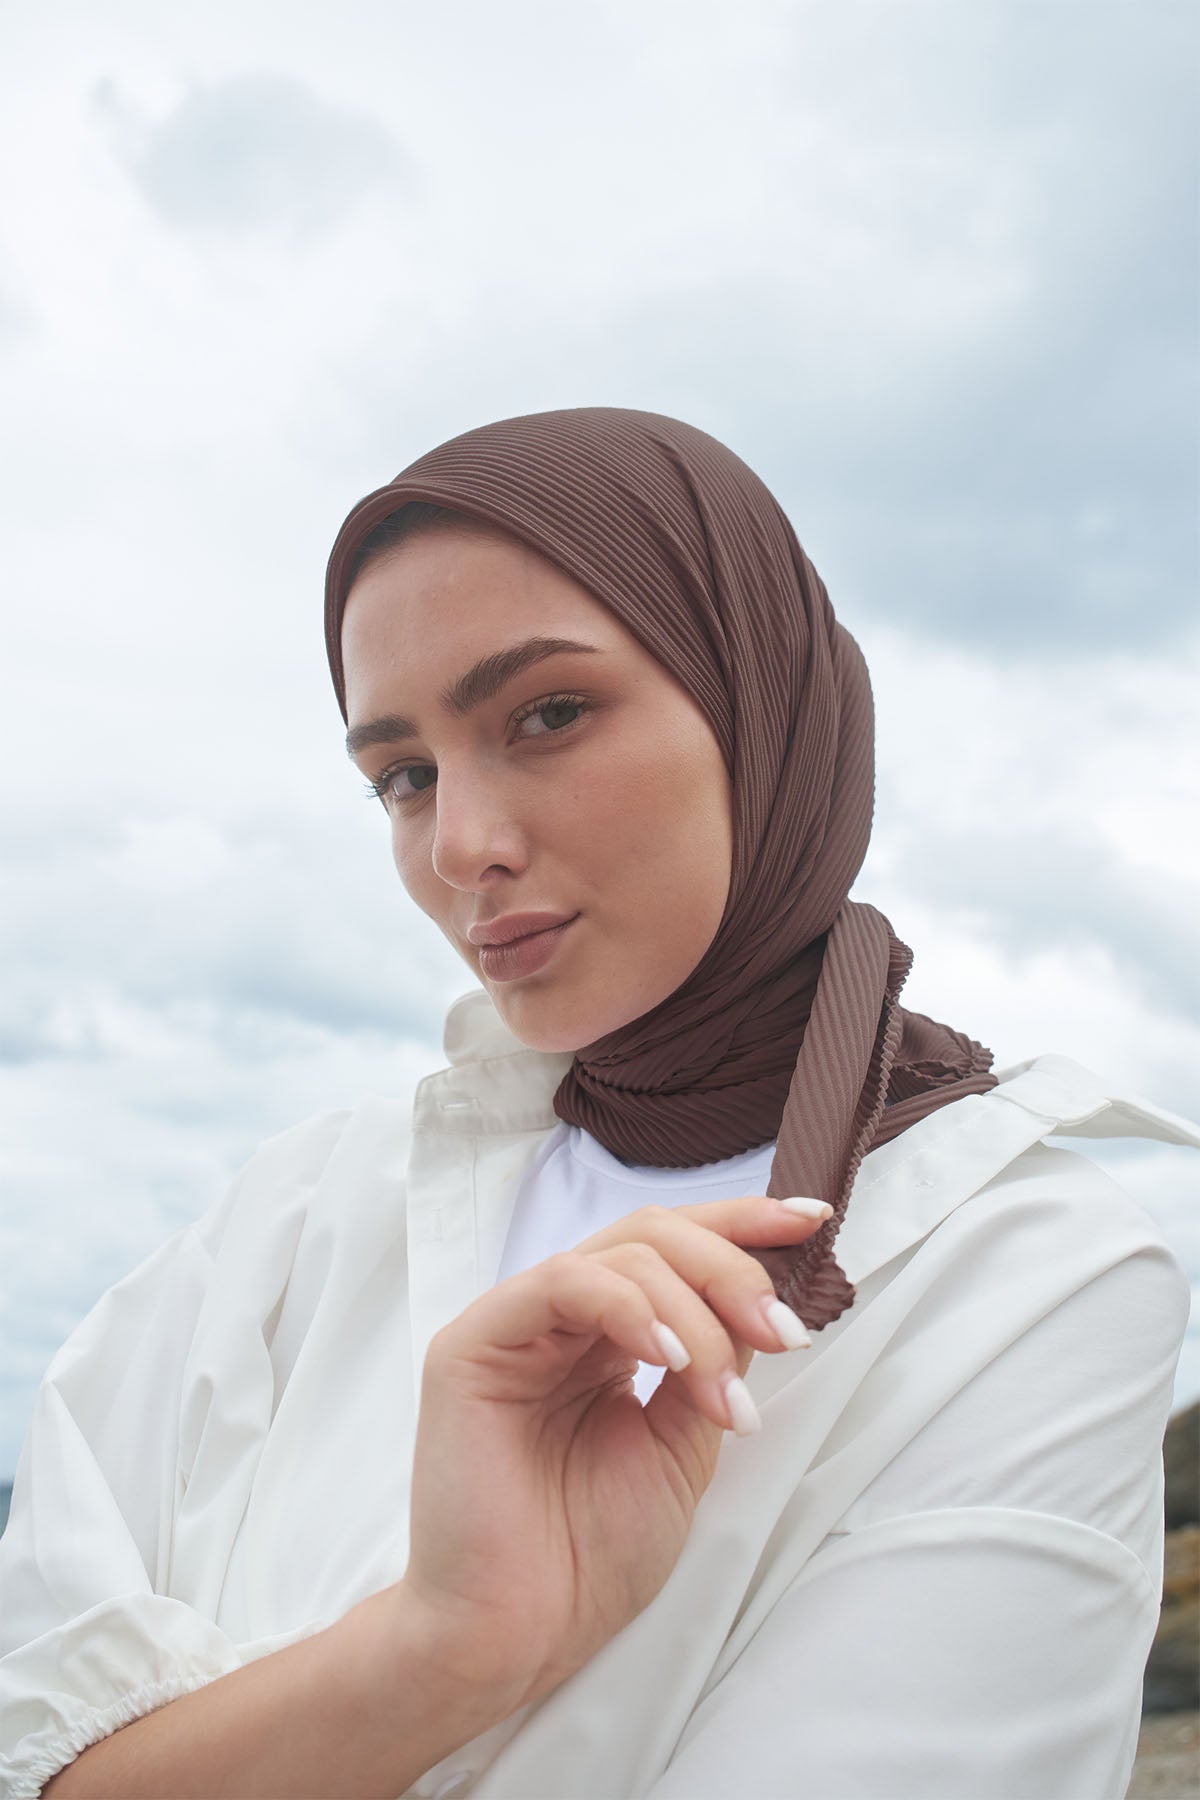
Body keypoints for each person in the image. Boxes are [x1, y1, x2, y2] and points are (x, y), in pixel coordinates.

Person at [0, 406, 1195, 1800]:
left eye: (548, 714)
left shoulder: (1027, 1269)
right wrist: (435, 1657)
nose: (463, 847)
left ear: (761, 702)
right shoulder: (291, 1220)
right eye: (402, 775)